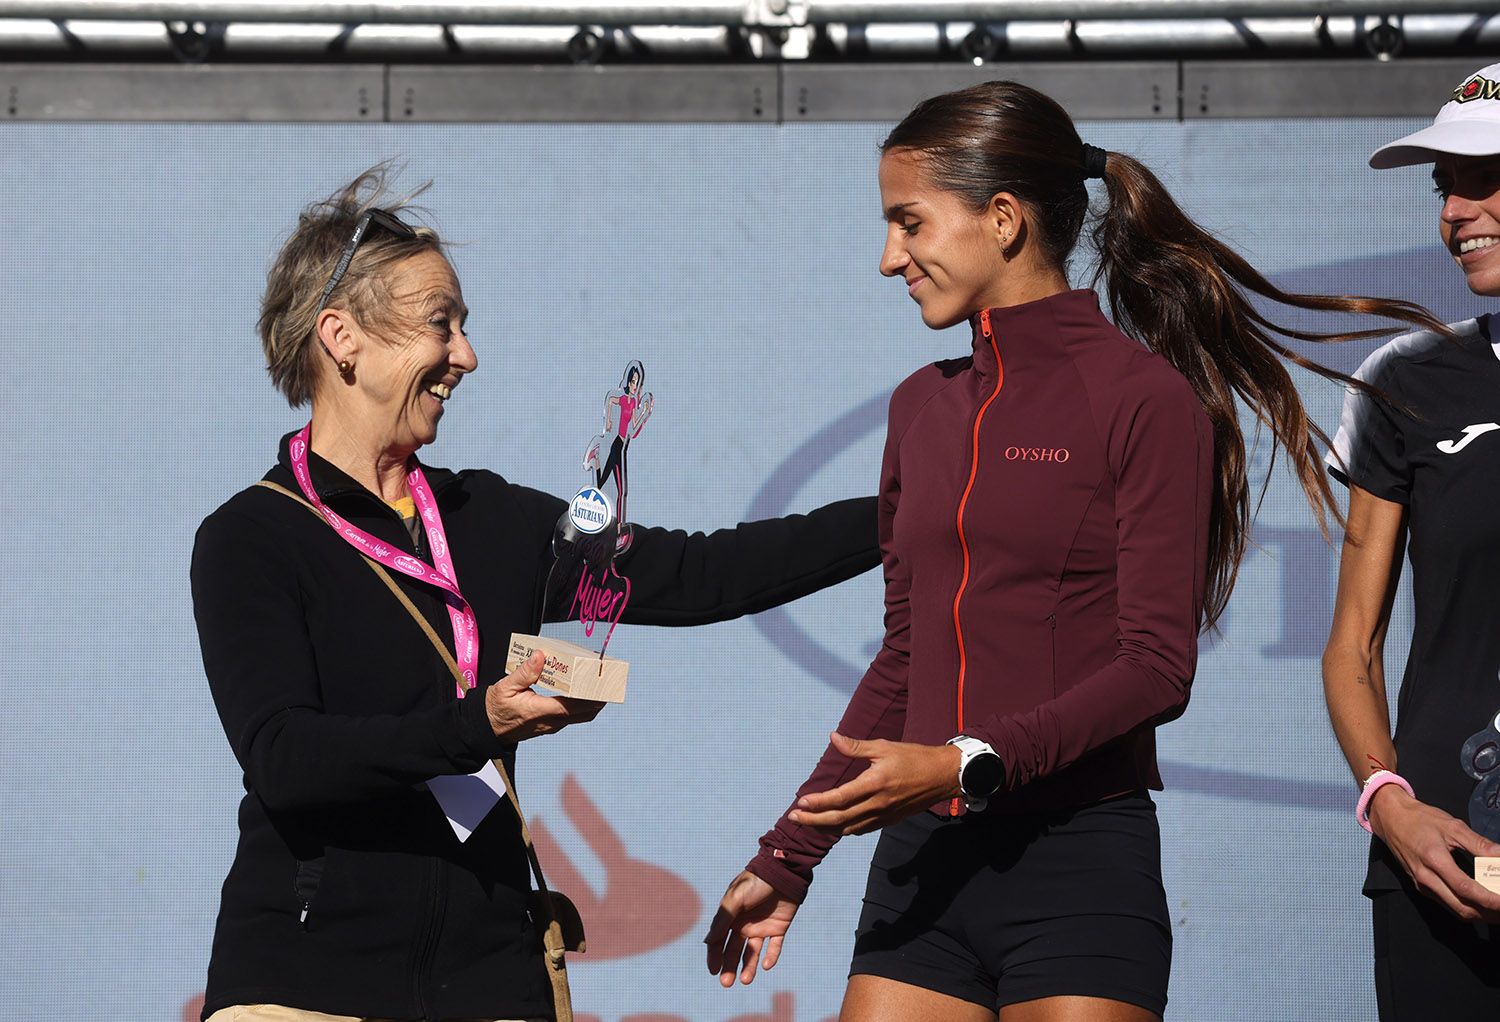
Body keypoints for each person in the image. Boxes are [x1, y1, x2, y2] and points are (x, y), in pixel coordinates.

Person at [703, 80, 1447, 1022]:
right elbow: (906, 658)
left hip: (1080, 866)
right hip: (922, 871)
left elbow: (1155, 670)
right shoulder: (919, 407)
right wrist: (787, 857)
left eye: (909, 223)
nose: (889, 257)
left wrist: (966, 761)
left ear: (1003, 218)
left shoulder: (1144, 401)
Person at [190, 166, 879, 1022]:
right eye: (440, 325)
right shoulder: (253, 535)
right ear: (342, 337)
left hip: (490, 976)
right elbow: (287, 761)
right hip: (305, 981)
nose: (466, 356)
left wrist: (910, 509)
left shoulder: (491, 516)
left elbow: (704, 572)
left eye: (464, 327)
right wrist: (479, 723)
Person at [1322, 61, 1500, 1020]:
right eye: (1446, 184)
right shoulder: (1405, 380)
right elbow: (1353, 643)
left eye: (1487, 175)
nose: (1457, 210)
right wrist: (1387, 803)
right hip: (1443, 859)